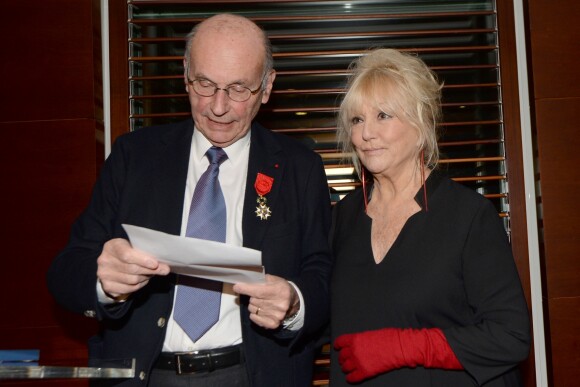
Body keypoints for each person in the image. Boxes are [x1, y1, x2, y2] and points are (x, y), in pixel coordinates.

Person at [47, 13, 332, 387]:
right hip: (145, 375)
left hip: (254, 374)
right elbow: (66, 270)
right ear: (185, 74)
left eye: (238, 89)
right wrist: (105, 282)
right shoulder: (135, 156)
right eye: (205, 84)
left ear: (266, 87)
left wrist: (294, 302)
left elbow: (324, 278)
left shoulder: (299, 168)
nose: (218, 106)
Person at [329, 48, 531, 386]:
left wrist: (405, 347)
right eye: (357, 120)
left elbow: (510, 337)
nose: (366, 134)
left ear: (421, 123)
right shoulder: (342, 219)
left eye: (383, 115)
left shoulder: (468, 217)